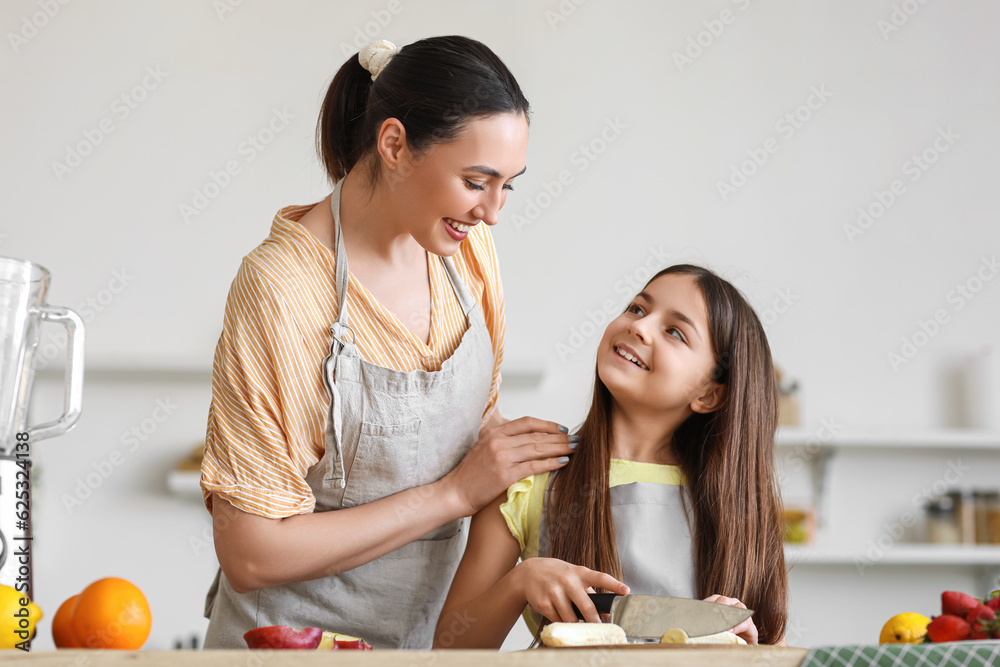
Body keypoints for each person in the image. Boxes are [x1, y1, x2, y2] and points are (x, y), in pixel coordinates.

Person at [199, 36, 576, 649]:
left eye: (509, 185)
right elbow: (251, 552)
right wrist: (453, 494)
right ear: (395, 144)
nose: (493, 212)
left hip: (421, 645)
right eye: (476, 181)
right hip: (289, 646)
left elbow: (468, 430)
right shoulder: (283, 289)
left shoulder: (465, 253)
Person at [434, 264, 789, 648]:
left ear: (709, 394)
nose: (640, 326)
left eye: (674, 331)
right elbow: (450, 649)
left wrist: (748, 652)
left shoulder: (741, 507)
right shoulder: (528, 478)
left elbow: (776, 649)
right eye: (638, 308)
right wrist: (521, 581)